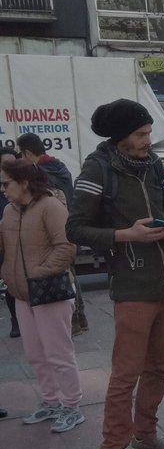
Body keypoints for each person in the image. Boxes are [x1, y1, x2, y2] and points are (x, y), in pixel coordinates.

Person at [67, 99, 164, 449]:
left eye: (149, 131)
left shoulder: (153, 163)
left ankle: (145, 435)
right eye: (141, 134)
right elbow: (75, 228)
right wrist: (126, 234)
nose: (148, 139)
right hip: (133, 286)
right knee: (125, 376)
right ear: (120, 137)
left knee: (159, 368)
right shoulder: (98, 168)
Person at [0, 160, 83, 432]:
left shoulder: (50, 207)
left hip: (50, 291)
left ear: (24, 182)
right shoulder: (10, 212)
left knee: (58, 353)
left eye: (6, 183)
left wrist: (37, 272)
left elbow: (66, 247)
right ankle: (51, 401)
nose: (3, 190)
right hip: (22, 294)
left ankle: (72, 406)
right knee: (35, 353)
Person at [16, 130, 89, 335]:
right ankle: (79, 319)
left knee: (65, 279)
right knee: (70, 275)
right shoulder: (60, 166)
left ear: (29, 153)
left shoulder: (42, 173)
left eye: (21, 154)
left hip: (55, 232)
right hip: (69, 228)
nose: (21, 159)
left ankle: (73, 321)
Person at [0, 150, 21, 337]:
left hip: (24, 245)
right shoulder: (4, 191)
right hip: (5, 246)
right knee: (10, 285)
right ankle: (16, 321)